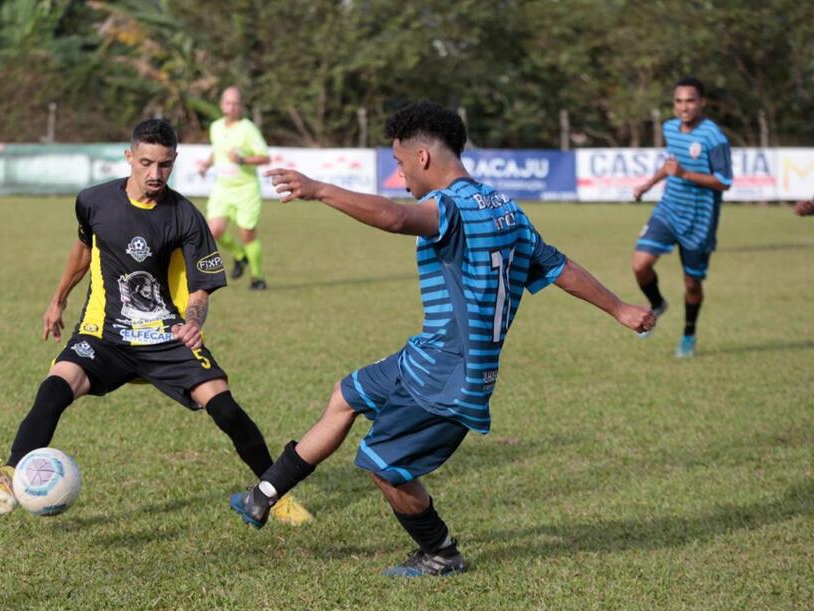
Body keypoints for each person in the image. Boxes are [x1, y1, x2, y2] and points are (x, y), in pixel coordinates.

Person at [227, 102, 655, 576]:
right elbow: (559, 267)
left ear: (423, 157)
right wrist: (620, 308)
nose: (400, 174)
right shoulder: (505, 210)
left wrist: (320, 189)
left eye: (399, 162)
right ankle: (262, 495)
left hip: (449, 375)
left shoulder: (452, 206)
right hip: (427, 355)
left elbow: (396, 218)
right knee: (347, 394)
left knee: (385, 468)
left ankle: (441, 553)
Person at [0, 119, 311, 525]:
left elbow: (199, 289)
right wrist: (58, 300)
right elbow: (83, 252)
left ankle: (273, 492)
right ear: (129, 158)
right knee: (56, 386)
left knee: (226, 409)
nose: (154, 174)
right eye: (146, 163)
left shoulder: (185, 216)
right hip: (105, 334)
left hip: (167, 335)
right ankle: (10, 475)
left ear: (174, 162)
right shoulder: (93, 202)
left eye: (164, 165)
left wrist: (194, 321)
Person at [632, 76, 732, 358]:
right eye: (679, 101)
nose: (684, 107)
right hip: (669, 210)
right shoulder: (670, 128)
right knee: (640, 265)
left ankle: (688, 333)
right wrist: (647, 185)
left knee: (692, 284)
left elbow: (724, 181)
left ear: (701, 102)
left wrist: (686, 174)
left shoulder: (714, 137)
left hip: (699, 219)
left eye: (690, 101)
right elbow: (671, 165)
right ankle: (657, 303)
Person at [196, 86, 271, 290]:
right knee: (213, 231)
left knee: (247, 234)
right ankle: (239, 255)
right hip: (223, 188)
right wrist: (206, 164)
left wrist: (242, 159)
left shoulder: (248, 129)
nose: (232, 107)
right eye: (228, 103)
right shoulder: (216, 127)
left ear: (241, 106)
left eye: (236, 103)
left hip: (246, 189)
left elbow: (265, 157)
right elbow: (217, 151)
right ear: (222, 105)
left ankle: (258, 278)